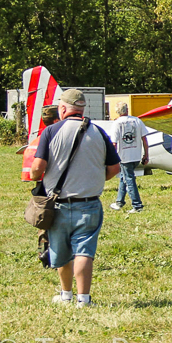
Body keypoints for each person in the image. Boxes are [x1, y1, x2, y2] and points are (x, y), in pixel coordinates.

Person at [29, 89, 120, 307]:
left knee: (61, 253)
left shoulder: (50, 131)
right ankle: (84, 299)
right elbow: (114, 167)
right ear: (82, 108)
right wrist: (94, 180)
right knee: (84, 251)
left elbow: (37, 168)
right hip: (89, 204)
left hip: (58, 205)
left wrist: (35, 175)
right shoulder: (98, 131)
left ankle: (66, 295)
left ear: (62, 108)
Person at [109, 102, 148, 213]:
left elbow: (114, 143)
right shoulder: (137, 120)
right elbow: (144, 139)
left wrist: (113, 158)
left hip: (124, 156)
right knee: (124, 177)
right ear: (127, 109)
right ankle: (119, 202)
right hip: (136, 155)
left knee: (129, 179)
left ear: (117, 111)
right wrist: (146, 154)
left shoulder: (117, 123)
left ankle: (137, 205)